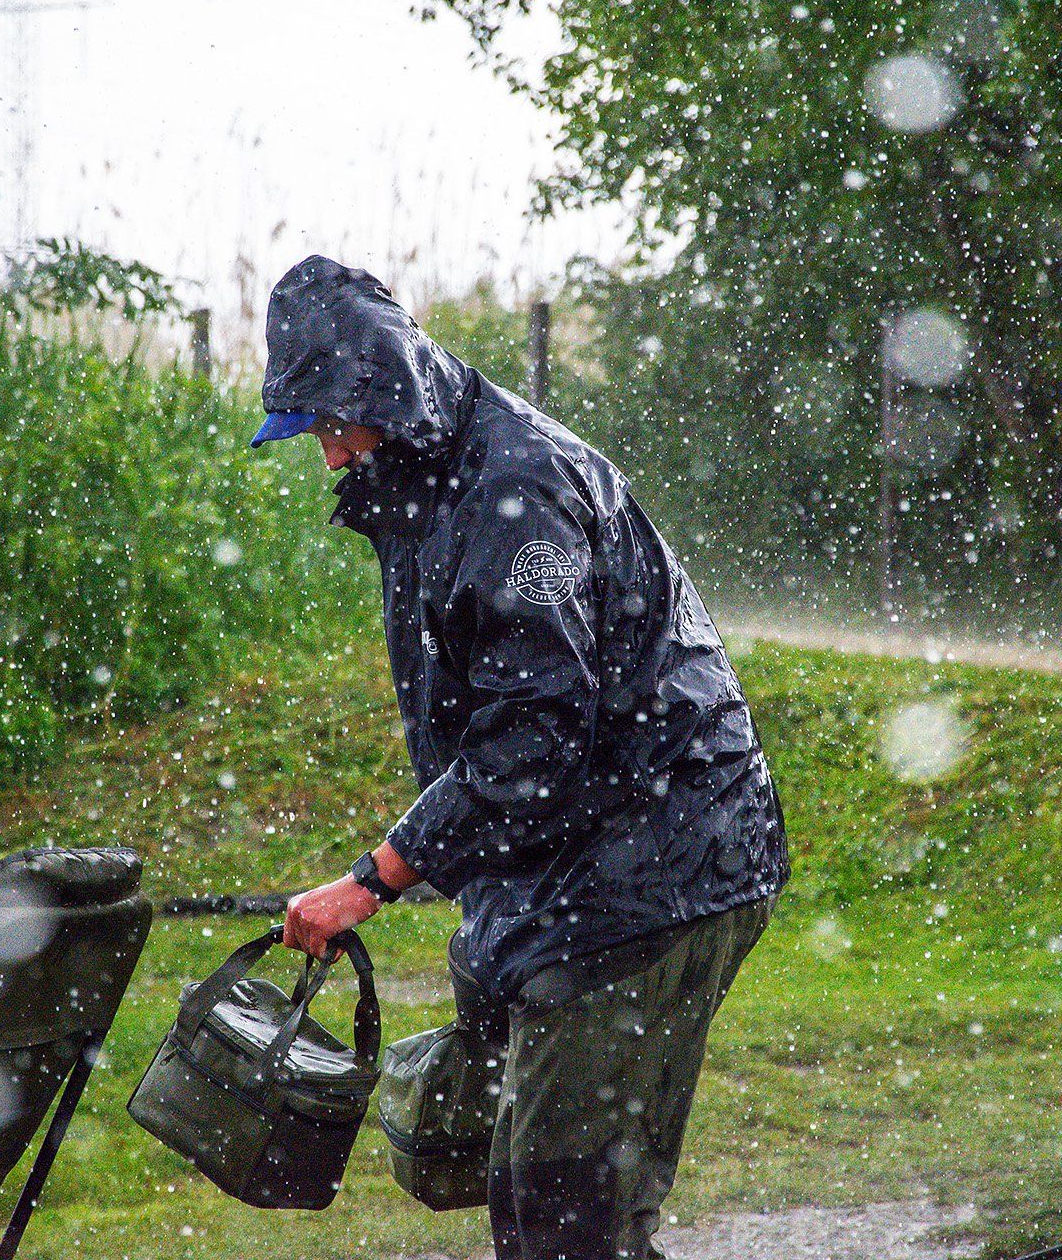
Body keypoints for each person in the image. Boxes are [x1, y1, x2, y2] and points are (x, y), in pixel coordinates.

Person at [253, 255, 789, 1260]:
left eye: (332, 425)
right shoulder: (427, 475)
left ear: (384, 390)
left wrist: (372, 880)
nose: (330, 458)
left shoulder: (515, 488)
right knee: (539, 1204)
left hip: (665, 865)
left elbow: (533, 742)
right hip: (590, 866)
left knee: (567, 1223)